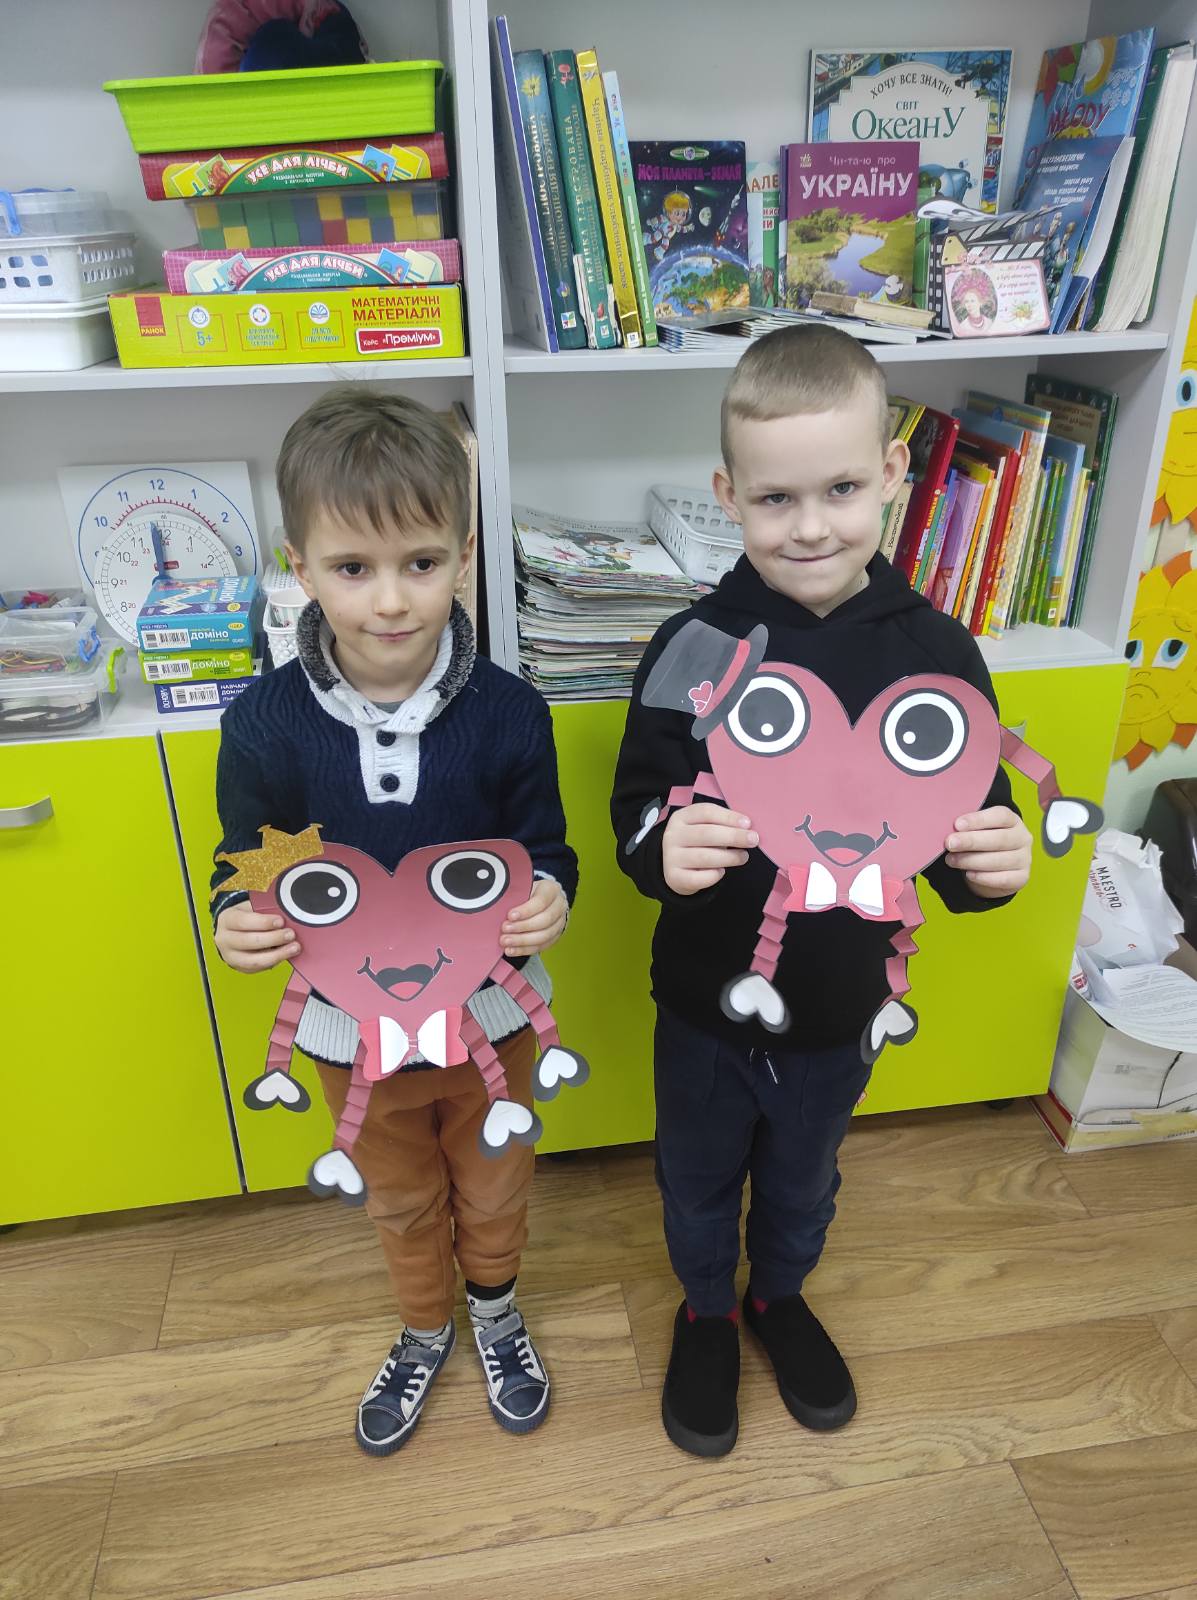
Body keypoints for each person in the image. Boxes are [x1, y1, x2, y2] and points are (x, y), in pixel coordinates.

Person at [611, 325, 1032, 1457]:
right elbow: (637, 810)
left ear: (891, 474)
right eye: (775, 498)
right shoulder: (693, 646)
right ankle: (706, 1310)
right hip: (704, 1006)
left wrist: (993, 864)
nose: (809, 526)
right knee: (697, 1179)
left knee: (803, 1183)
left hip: (842, 1009)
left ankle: (777, 1298)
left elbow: (962, 829)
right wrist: (662, 847)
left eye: (841, 489)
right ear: (728, 496)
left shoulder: (939, 654)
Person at [212, 387, 576, 1456]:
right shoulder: (264, 725)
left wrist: (551, 897)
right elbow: (249, 864)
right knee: (400, 1197)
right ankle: (424, 1327)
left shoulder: (510, 713)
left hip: (490, 1023)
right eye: (351, 568)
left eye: (419, 562)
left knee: (496, 1187)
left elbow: (544, 851)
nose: (388, 601)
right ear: (299, 566)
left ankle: (496, 1311)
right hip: (348, 1035)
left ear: (463, 556)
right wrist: (236, 916)